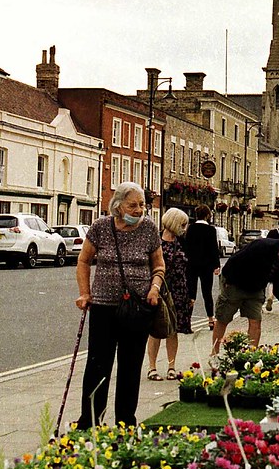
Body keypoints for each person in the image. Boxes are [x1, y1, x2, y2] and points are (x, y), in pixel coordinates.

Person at [74, 182, 164, 428]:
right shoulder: (101, 227)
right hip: (104, 307)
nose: (139, 210)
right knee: (97, 366)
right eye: (133, 205)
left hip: (138, 309)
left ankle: (125, 422)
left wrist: (154, 288)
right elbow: (83, 261)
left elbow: (158, 266)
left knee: (131, 366)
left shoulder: (148, 229)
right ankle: (90, 421)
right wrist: (85, 293)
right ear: (118, 205)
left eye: (142, 205)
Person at [211, 236, 279, 355]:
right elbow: (234, 262)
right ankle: (214, 354)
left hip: (256, 288)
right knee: (223, 318)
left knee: (255, 321)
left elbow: (278, 288)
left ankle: (251, 354)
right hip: (235, 283)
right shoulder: (262, 246)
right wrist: (228, 284)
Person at [146, 208, 194, 381]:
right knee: (156, 329)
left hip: (179, 290)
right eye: (182, 224)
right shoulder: (155, 241)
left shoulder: (183, 242)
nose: (184, 227)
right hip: (159, 289)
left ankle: (171, 367)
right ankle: (152, 368)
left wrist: (191, 295)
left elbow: (191, 269)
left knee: (173, 329)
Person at [182, 204, 221, 329]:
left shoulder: (191, 228)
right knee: (207, 293)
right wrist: (217, 265)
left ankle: (187, 321)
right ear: (208, 215)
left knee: (191, 293)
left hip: (191, 265)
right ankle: (210, 319)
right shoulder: (210, 230)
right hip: (206, 266)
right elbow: (214, 249)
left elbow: (186, 246)